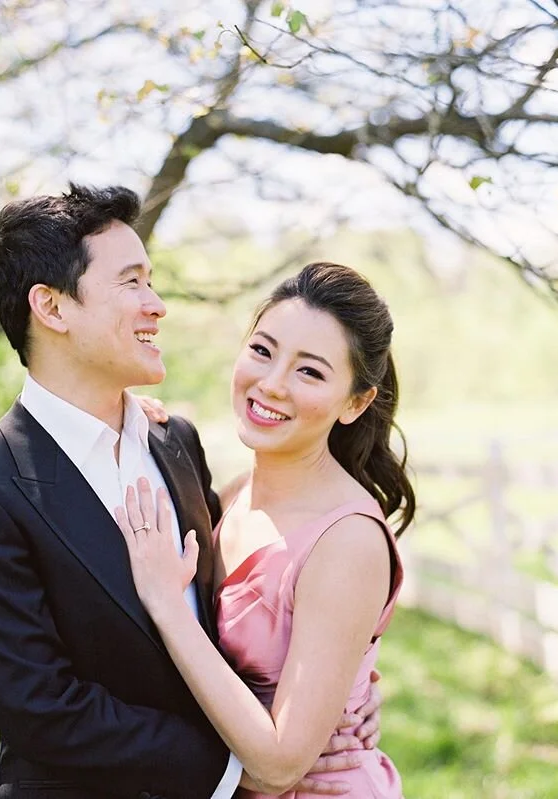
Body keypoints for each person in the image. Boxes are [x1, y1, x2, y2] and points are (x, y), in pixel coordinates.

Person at [0, 186, 382, 799]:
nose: (157, 305)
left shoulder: (174, 441)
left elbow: (235, 616)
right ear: (51, 307)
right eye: (131, 283)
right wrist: (247, 767)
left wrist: (339, 695)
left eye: (151, 282)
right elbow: (43, 710)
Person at [117, 262, 416, 798]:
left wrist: (164, 604)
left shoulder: (346, 541)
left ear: (356, 402)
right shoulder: (231, 496)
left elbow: (279, 766)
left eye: (310, 372)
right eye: (262, 350)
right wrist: (114, 419)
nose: (271, 384)